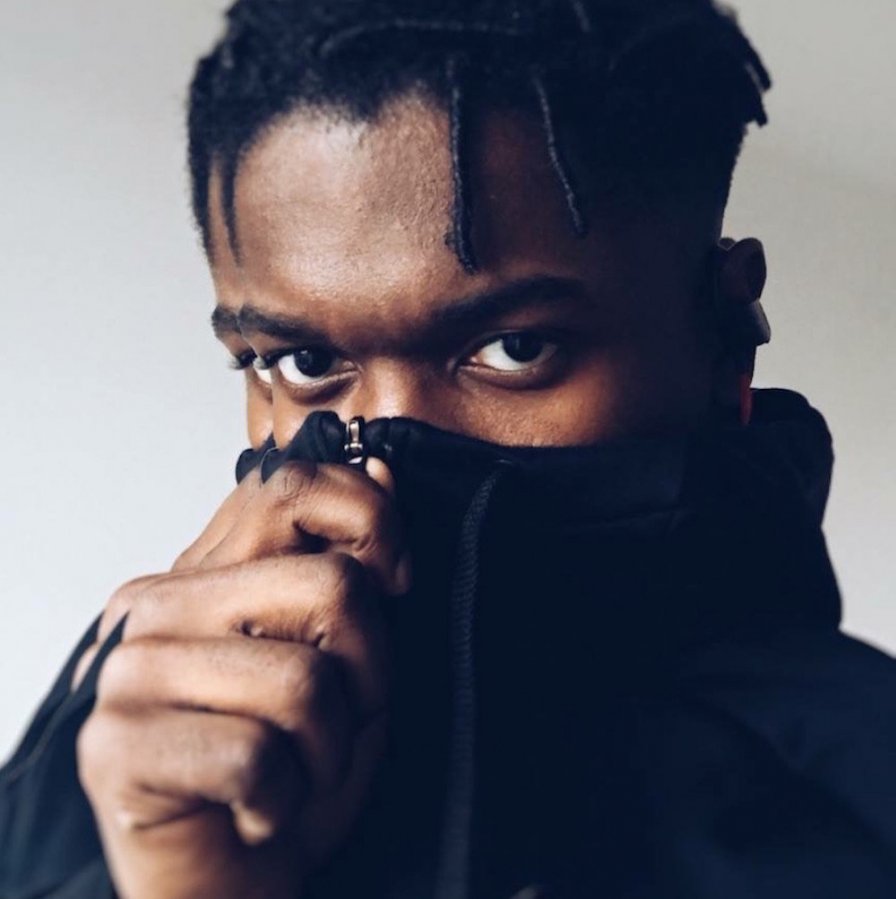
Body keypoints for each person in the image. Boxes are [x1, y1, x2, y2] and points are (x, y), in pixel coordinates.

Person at [2, 1, 894, 897]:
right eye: (303, 362)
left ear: (725, 334)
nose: (382, 467)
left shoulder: (860, 793)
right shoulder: (111, 746)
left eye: (516, 348)